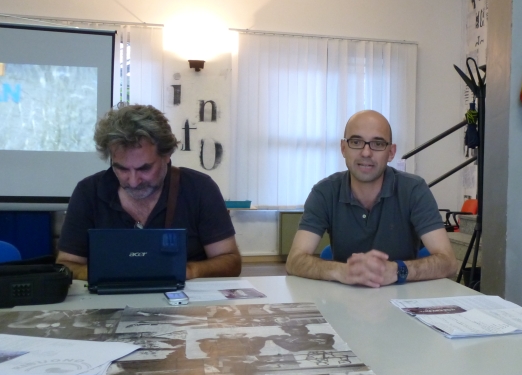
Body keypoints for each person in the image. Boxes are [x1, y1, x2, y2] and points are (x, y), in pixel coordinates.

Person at [57, 104, 241, 280]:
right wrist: (112, 274)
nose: (133, 181)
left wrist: (188, 271)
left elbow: (231, 261)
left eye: (144, 169)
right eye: (121, 169)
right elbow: (66, 264)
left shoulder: (200, 189)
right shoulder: (88, 192)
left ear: (167, 155)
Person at [286, 110, 458, 287]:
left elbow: (449, 262)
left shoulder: (414, 190)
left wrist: (396, 271)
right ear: (343, 148)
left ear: (391, 152)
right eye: (356, 142)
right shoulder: (324, 192)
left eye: (377, 143)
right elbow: (294, 260)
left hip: (403, 295)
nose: (366, 152)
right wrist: (341, 271)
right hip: (344, 296)